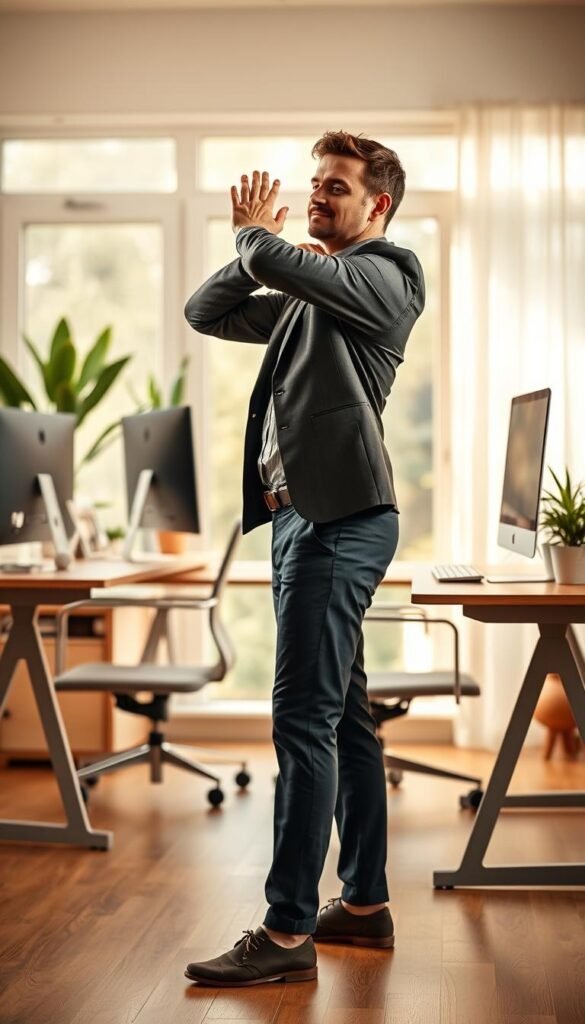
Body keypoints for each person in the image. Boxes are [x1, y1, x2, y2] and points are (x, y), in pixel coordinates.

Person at [183, 131, 425, 987]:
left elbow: (296, 268)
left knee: (301, 719)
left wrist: (256, 238)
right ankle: (362, 904)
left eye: (335, 186)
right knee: (345, 716)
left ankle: (286, 931)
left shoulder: (386, 277)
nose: (316, 195)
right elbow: (206, 315)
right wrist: (250, 253)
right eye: (313, 183)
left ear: (377, 205)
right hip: (301, 523)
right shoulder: (306, 291)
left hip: (339, 520)